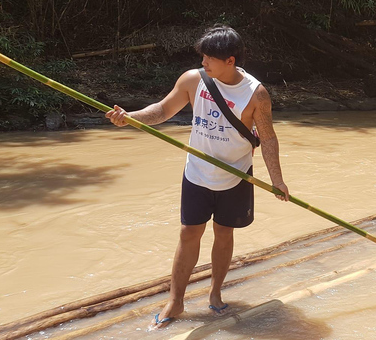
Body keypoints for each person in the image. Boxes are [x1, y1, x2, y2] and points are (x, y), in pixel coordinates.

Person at [105, 26, 290, 330]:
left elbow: (267, 139)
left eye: (210, 59)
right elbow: (163, 110)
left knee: (224, 233)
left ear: (230, 61)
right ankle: (175, 301)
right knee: (189, 233)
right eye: (203, 57)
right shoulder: (193, 80)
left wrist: (277, 180)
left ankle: (215, 293)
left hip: (236, 175)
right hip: (197, 172)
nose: (204, 63)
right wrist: (131, 118)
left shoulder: (256, 94)